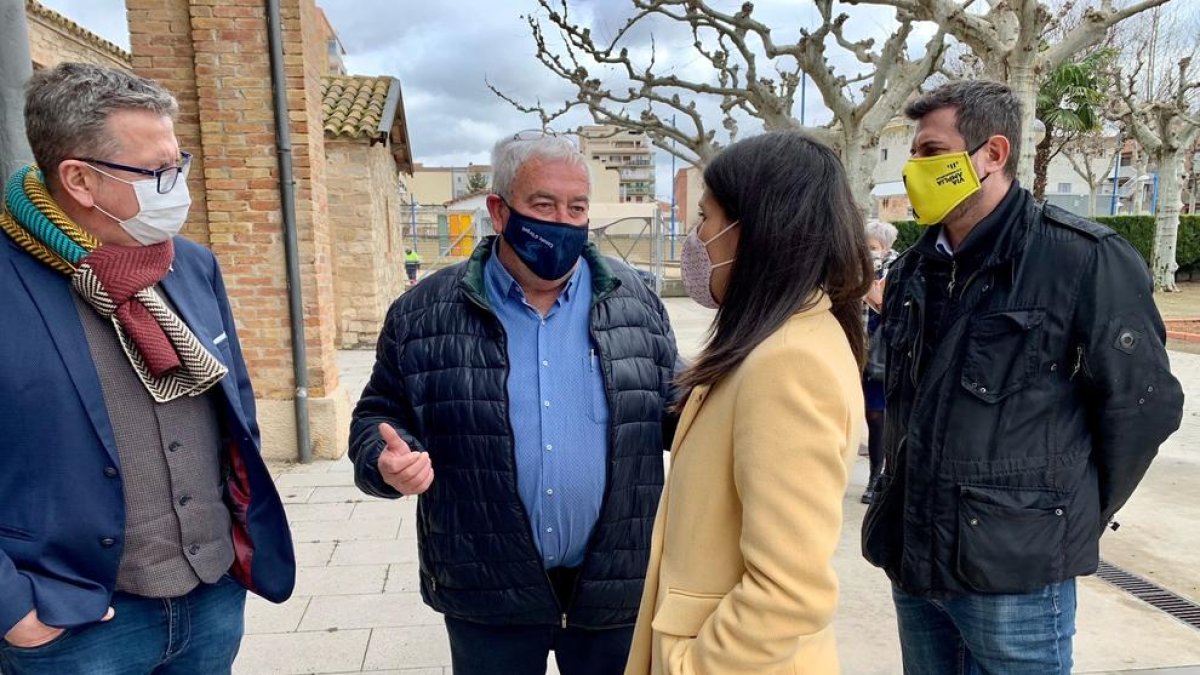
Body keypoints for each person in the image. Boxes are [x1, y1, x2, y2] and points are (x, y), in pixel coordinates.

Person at [862, 80, 1184, 674]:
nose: (914, 169)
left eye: (931, 153)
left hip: (1016, 575)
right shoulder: (913, 269)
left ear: (993, 153)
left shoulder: (1081, 257)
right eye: (914, 154)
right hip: (914, 557)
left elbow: (1144, 404)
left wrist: (1065, 512)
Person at [349, 131, 679, 675]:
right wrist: (386, 462)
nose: (563, 221)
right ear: (499, 211)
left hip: (615, 587)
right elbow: (377, 415)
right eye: (542, 204)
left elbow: (670, 408)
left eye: (576, 207)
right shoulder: (423, 312)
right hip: (486, 585)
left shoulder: (637, 301)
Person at [0, 63, 294, 675]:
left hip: (212, 595)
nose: (176, 185)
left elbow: (233, 405)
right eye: (157, 171)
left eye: (176, 163)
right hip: (74, 621)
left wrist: (234, 540)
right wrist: (12, 610)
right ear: (79, 179)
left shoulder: (189, 264)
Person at [624, 130, 871, 675]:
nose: (698, 237)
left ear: (754, 230)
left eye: (706, 219)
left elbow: (788, 589)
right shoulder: (779, 337)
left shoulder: (787, 362)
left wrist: (696, 665)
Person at [860, 219, 898, 504]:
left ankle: (877, 476)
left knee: (876, 415)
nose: (869, 251)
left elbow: (891, 309)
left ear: (886, 248)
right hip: (855, 350)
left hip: (880, 355)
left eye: (873, 247)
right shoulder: (853, 270)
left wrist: (871, 291)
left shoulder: (897, 270)